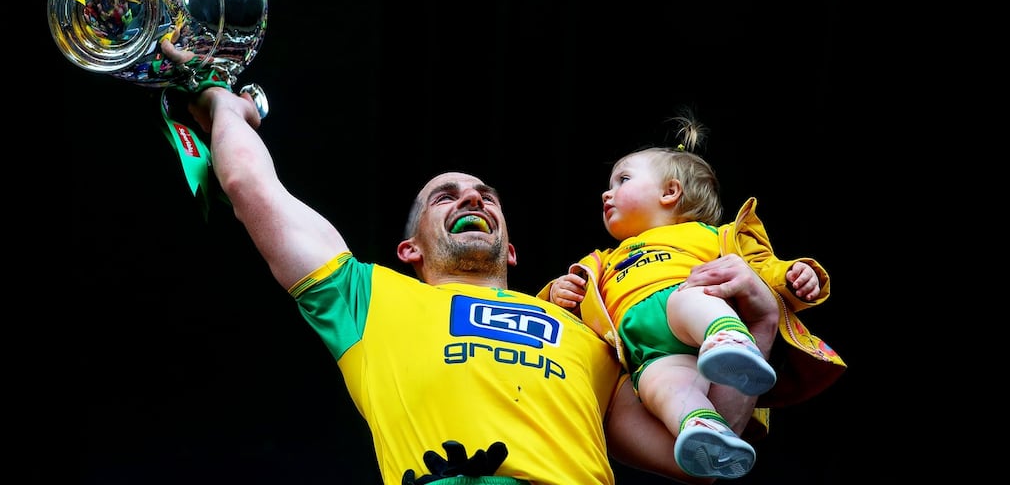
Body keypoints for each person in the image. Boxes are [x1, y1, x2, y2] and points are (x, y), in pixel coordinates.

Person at [186, 85, 783, 485]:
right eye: (445, 196)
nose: (471, 197)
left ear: (511, 248)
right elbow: (251, 187)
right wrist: (223, 105)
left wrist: (760, 325)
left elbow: (708, 454)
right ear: (408, 250)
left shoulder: (592, 340)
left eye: (486, 197)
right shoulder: (363, 299)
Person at [540, 111, 846, 479]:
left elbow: (763, 269)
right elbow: (554, 321)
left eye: (622, 179)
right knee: (660, 386)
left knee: (690, 299)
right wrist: (559, 292)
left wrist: (798, 275)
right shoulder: (601, 261)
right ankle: (702, 426)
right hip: (645, 350)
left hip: (684, 305)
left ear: (670, 192)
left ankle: (730, 340)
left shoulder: (711, 236)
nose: (607, 192)